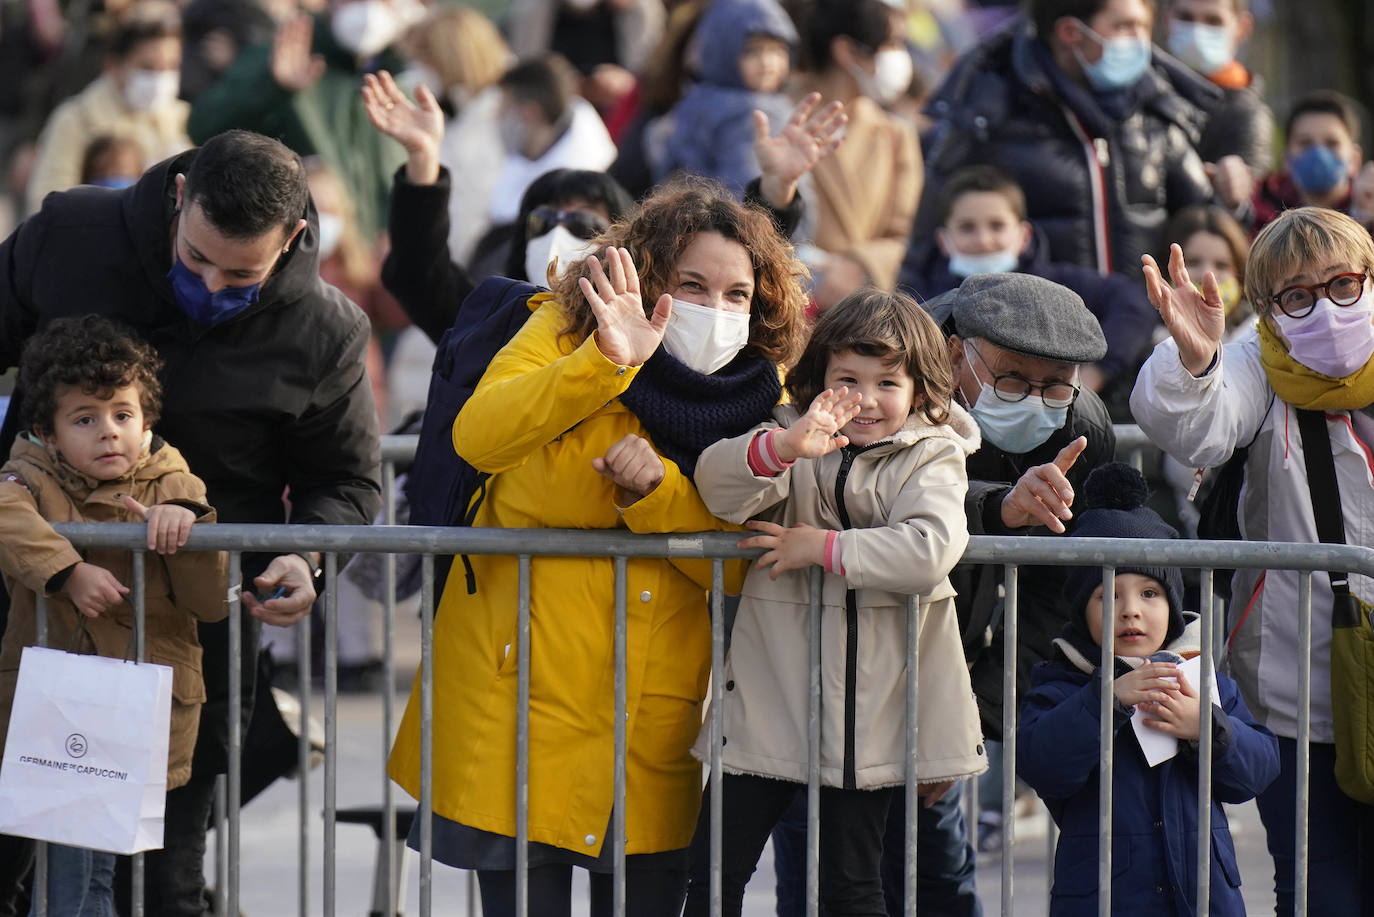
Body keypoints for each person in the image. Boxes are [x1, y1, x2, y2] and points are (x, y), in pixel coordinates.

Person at [385, 179, 810, 916]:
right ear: (647, 278)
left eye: (737, 293)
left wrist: (657, 500)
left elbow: (744, 553)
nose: (716, 308)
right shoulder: (564, 327)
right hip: (519, 697)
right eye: (693, 284)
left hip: (652, 721)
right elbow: (481, 436)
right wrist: (605, 362)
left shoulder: (760, 394)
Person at [0, 129, 381, 916]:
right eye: (196, 257)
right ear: (179, 199)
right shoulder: (70, 236)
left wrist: (303, 557)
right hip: (26, 612)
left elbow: (344, 480)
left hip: (185, 641)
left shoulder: (324, 330)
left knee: (163, 879)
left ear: (295, 240)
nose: (209, 284)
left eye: (241, 273)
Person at [681, 288, 986, 916]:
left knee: (850, 885)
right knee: (711, 873)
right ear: (817, 381)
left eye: (887, 382)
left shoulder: (935, 454)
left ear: (922, 391)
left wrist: (824, 548)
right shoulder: (792, 438)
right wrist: (785, 449)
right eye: (848, 378)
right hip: (767, 706)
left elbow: (929, 547)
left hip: (868, 726)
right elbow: (714, 487)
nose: (866, 399)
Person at [1131, 207, 1374, 915]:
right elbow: (1197, 427)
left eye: (1342, 284)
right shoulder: (1253, 359)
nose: (1324, 307)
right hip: (1291, 678)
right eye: (1297, 295)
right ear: (1268, 307)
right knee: (1315, 880)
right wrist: (1196, 360)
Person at [0, 316, 228, 916]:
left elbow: (208, 603)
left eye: (122, 415)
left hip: (139, 709)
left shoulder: (173, 481)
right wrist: (68, 570)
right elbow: (4, 508)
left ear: (147, 421)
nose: (109, 433)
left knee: (104, 873)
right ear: (46, 434)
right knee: (74, 878)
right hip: (59, 709)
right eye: (85, 419)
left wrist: (190, 530)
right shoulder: (29, 473)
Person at [1017, 462, 1279, 916]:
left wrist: (1206, 728)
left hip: (1204, 897)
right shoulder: (1062, 682)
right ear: (1083, 611)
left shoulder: (1200, 678)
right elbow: (1044, 766)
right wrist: (1109, 699)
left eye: (1150, 594)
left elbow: (1255, 772)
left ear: (1173, 604)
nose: (1130, 611)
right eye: (1108, 595)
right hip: (1104, 900)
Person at [914, 0, 1214, 280]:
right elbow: (923, 250)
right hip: (1030, 330)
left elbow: (1206, 224)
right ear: (1071, 32)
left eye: (1143, 26)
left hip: (1143, 327)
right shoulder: (988, 116)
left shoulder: (1156, 109)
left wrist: (1233, 204)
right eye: (1124, 27)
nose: (1140, 41)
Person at [900, 164, 1155, 398]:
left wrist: (1094, 373)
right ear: (944, 240)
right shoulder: (920, 300)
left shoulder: (1060, 285)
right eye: (967, 227)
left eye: (997, 226)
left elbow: (1134, 302)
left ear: (1024, 235)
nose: (984, 240)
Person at [187, 0, 421, 239]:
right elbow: (204, 127)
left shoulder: (401, 74)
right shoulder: (287, 52)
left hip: (373, 258)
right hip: (299, 246)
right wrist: (272, 86)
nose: (370, 8)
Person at [792, 0, 922, 310]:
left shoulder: (895, 133)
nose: (901, 57)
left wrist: (860, 265)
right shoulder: (777, 117)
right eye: (892, 43)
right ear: (846, 51)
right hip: (792, 305)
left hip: (864, 312)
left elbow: (912, 236)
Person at [26, 1, 190, 211]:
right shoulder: (76, 120)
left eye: (171, 66)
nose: (160, 78)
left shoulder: (182, 120)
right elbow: (46, 207)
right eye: (147, 67)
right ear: (114, 66)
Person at [399, 4, 512, 267]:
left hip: (485, 264)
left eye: (422, 59)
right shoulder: (464, 113)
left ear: (449, 58)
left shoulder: (499, 116)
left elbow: (476, 206)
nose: (415, 71)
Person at [650, 0, 798, 197]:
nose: (767, 63)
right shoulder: (752, 112)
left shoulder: (696, 100)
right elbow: (744, 195)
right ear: (723, 50)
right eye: (751, 51)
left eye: (776, 50)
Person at [486, 54, 619, 228]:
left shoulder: (566, 195)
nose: (497, 117)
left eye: (504, 107)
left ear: (531, 113)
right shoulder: (533, 146)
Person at [1163, 0, 1273, 187]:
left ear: (1243, 28)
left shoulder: (1247, 115)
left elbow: (1249, 204)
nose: (1197, 31)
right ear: (1167, 20)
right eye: (1186, 18)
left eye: (1213, 21)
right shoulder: (1145, 89)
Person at [1249, 90, 1374, 236]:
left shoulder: (1368, 205)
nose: (1318, 153)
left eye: (1331, 143)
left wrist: (1364, 218)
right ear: (1286, 159)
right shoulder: (1259, 202)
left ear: (1354, 159)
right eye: (1305, 143)